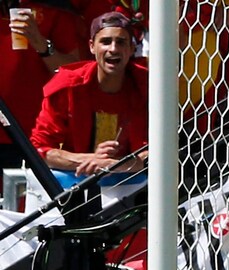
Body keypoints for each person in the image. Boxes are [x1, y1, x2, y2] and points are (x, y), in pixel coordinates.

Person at [30, 11, 148, 176]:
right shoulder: (68, 86)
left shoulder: (148, 86)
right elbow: (39, 150)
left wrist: (116, 165)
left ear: (131, 49)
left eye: (121, 42)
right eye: (105, 42)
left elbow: (162, 149)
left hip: (134, 184)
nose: (113, 49)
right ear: (92, 46)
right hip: (74, 182)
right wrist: (91, 160)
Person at [0, 0, 81, 186]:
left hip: (27, 135)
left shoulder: (52, 10)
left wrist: (41, 44)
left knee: (23, 200)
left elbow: (74, 73)